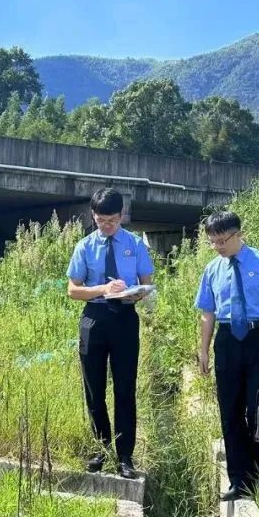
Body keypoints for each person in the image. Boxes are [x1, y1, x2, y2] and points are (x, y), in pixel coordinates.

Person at [195, 210, 259, 501]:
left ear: (238, 234)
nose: (218, 247)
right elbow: (207, 313)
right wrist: (203, 350)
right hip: (227, 341)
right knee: (230, 409)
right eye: (213, 242)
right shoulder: (212, 270)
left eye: (223, 240)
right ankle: (239, 478)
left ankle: (255, 465)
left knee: (257, 408)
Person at [67, 188, 154, 479]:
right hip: (94, 318)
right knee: (94, 388)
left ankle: (125, 455)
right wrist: (103, 289)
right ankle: (100, 449)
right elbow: (73, 290)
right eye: (101, 220)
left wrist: (135, 293)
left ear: (122, 216)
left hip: (125, 318)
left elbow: (146, 282)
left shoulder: (135, 244)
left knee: (125, 388)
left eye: (112, 220)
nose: (107, 225)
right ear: (93, 216)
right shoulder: (85, 246)